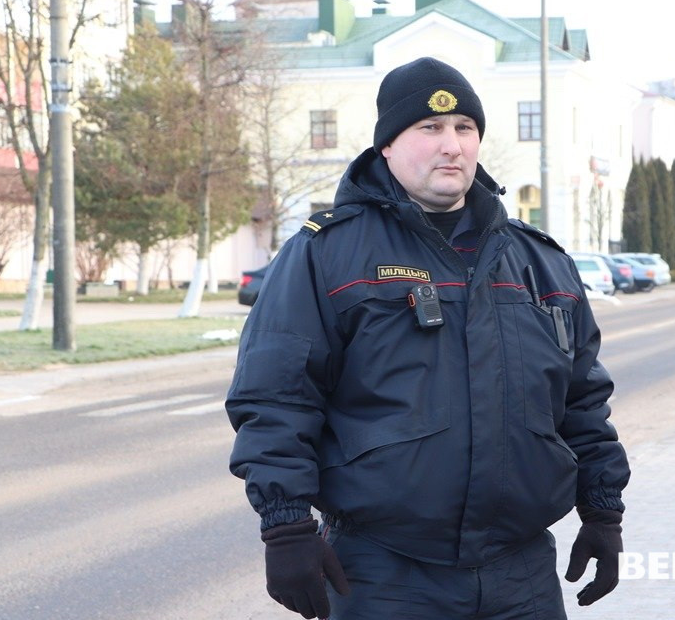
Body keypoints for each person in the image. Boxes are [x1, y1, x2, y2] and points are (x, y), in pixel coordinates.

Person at [226, 56, 630, 620]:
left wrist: (602, 509)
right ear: (387, 146)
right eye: (430, 127)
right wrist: (286, 525)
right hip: (386, 572)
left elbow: (582, 400)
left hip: (521, 571)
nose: (452, 145)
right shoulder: (327, 255)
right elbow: (277, 399)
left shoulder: (538, 261)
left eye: (465, 128)